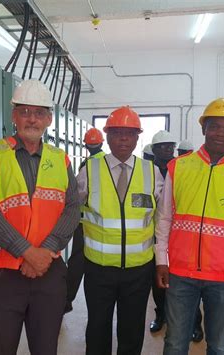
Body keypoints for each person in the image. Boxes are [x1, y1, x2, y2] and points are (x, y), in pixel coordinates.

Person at [0, 79, 80, 355]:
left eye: (39, 112)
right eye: (25, 111)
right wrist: (27, 252)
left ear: (49, 119)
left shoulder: (61, 159)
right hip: (4, 274)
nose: (32, 119)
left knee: (46, 349)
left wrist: (45, 252)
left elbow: (72, 207)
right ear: (13, 116)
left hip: (49, 270)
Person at [155, 97, 224, 355]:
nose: (220, 133)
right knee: (174, 343)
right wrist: (162, 260)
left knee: (220, 346)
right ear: (204, 128)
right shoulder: (178, 168)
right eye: (215, 126)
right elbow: (165, 218)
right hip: (181, 273)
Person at [77, 106, 164, 355]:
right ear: (107, 137)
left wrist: (162, 260)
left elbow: (163, 219)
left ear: (138, 137)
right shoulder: (89, 171)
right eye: (116, 133)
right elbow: (71, 211)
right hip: (98, 268)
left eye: (130, 133)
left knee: (132, 329)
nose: (123, 139)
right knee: (97, 328)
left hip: (138, 270)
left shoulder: (152, 172)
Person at [65, 127, 106, 313]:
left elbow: (78, 194)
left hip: (85, 222)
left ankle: (66, 301)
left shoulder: (88, 165)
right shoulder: (107, 162)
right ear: (103, 143)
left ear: (85, 145)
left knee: (77, 261)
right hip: (104, 224)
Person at [149, 130, 177, 333]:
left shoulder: (181, 168)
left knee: (183, 281)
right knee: (158, 278)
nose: (168, 149)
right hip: (154, 233)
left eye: (171, 146)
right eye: (163, 146)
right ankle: (161, 314)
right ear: (154, 149)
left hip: (179, 232)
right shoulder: (147, 170)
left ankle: (193, 321)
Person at [176, 139, 204, 342]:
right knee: (176, 339)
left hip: (218, 265)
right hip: (181, 258)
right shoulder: (176, 169)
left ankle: (196, 326)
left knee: (220, 343)